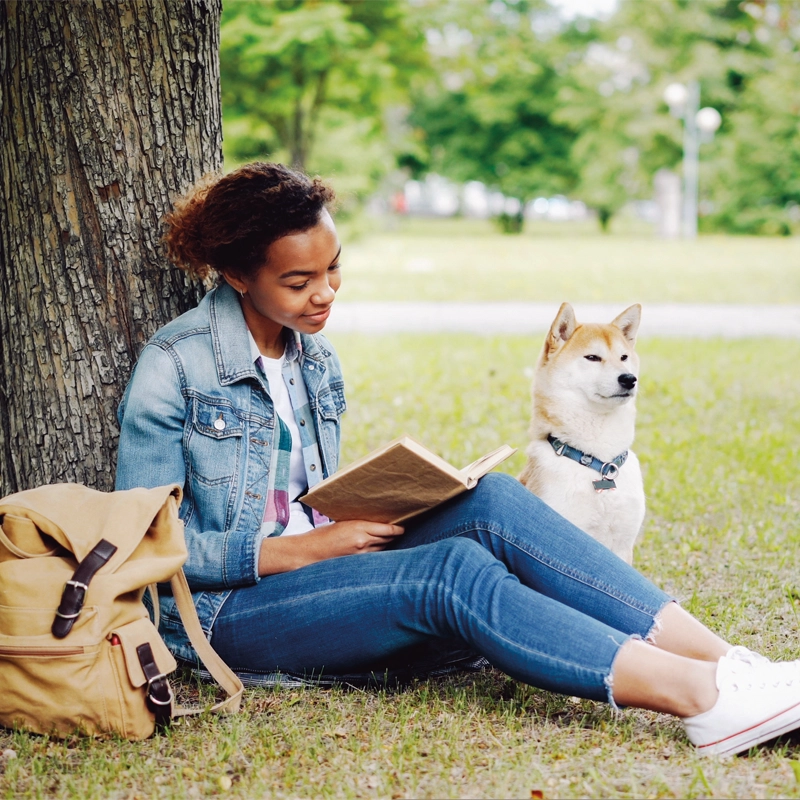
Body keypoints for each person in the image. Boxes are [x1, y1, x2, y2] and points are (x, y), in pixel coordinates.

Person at [115, 162, 800, 758]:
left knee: (496, 501)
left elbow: (303, 497)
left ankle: (739, 668)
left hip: (324, 568)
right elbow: (143, 544)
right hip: (223, 613)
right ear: (237, 273)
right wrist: (300, 551)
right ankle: (703, 700)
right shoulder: (176, 366)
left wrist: (390, 503)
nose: (325, 293)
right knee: (451, 571)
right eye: (300, 281)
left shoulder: (313, 358)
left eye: (334, 269)